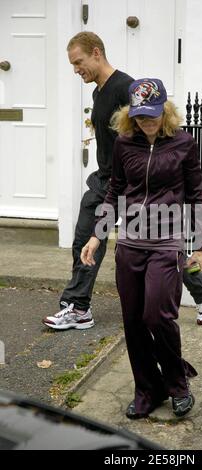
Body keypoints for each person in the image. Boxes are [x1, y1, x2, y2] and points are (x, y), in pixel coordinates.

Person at [80, 78, 202, 419]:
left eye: (152, 115)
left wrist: (200, 245)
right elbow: (116, 190)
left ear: (165, 111)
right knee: (134, 321)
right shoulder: (125, 144)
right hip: (131, 242)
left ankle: (177, 383)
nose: (146, 122)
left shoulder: (183, 143)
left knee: (158, 315)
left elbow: (195, 195)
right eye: (140, 116)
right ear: (131, 114)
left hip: (167, 241)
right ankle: (147, 391)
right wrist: (98, 234)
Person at [43, 32, 134, 330]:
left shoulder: (125, 87)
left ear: (96, 53)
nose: (76, 69)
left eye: (78, 62)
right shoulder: (98, 92)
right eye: (72, 64)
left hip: (129, 182)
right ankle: (79, 307)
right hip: (104, 180)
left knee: (153, 245)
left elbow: (142, 135)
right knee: (84, 239)